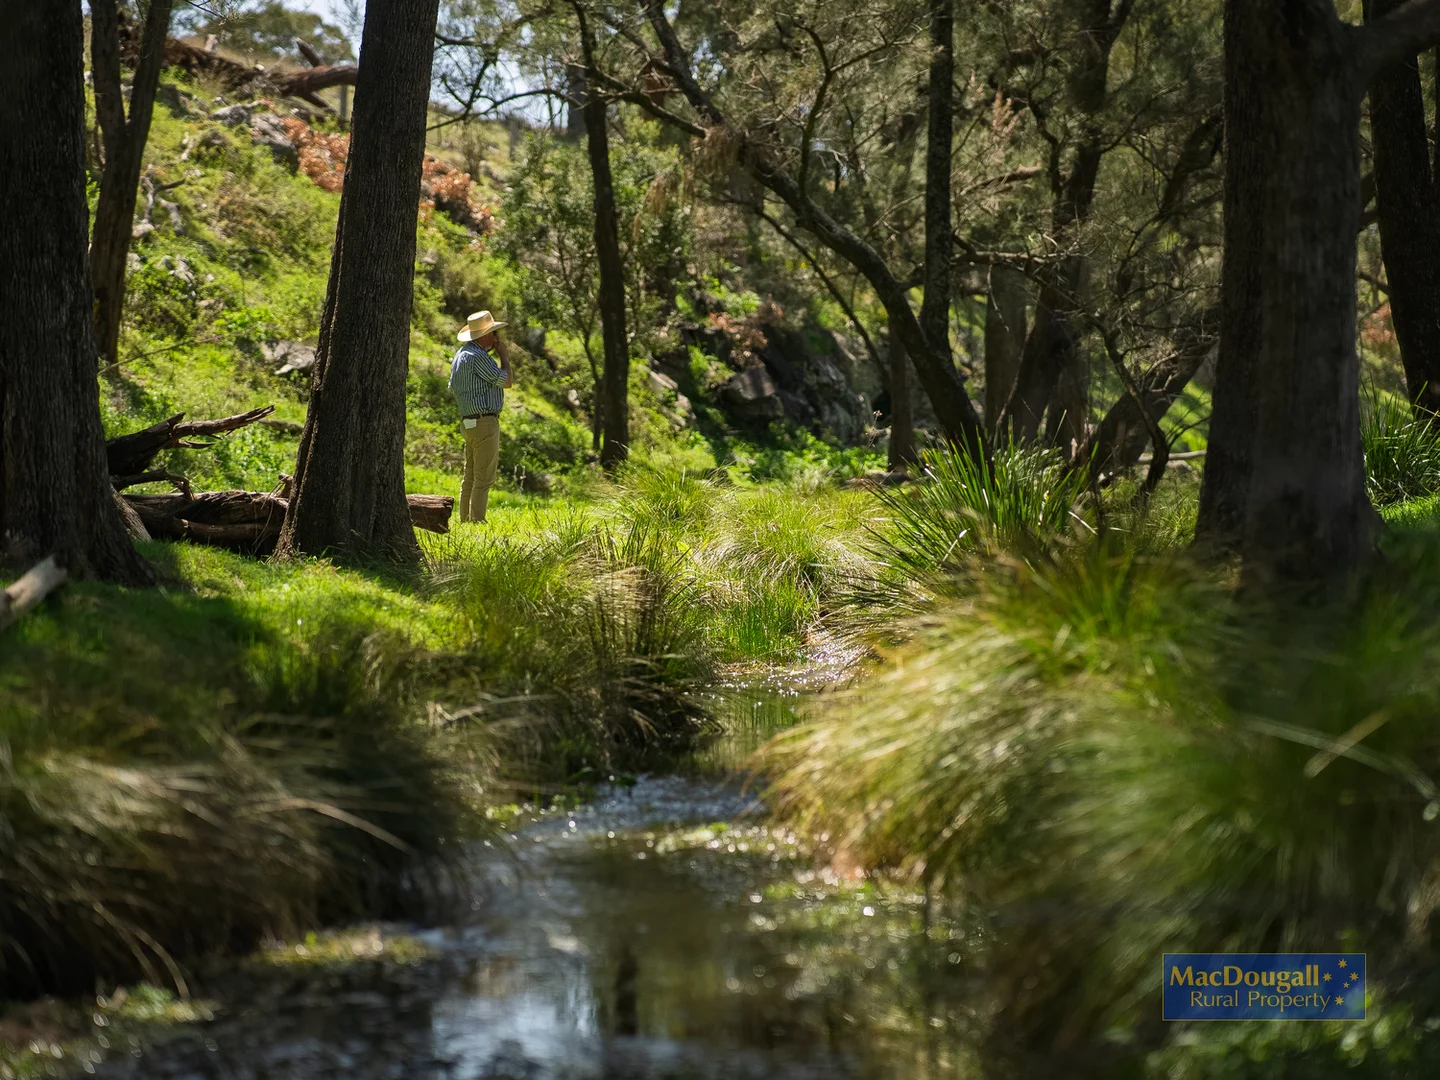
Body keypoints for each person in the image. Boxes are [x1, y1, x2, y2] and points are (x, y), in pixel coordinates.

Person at [449, 310, 512, 523]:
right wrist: (504, 356)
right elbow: (506, 381)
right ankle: (477, 521)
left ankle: (466, 519)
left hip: (468, 422)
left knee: (470, 476)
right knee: (483, 478)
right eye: (493, 332)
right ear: (485, 335)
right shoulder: (479, 357)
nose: (496, 337)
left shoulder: (461, 355)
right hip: (484, 421)